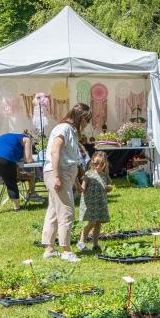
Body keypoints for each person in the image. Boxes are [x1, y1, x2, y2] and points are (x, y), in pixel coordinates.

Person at [41, 103, 92, 262]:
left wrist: (76, 182)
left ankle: (49, 248)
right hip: (58, 173)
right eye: (86, 121)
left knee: (54, 211)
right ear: (82, 117)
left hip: (63, 174)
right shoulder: (64, 128)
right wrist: (56, 176)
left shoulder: (69, 130)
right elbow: (55, 151)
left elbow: (69, 158)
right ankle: (66, 250)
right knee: (66, 211)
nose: (86, 124)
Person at [0, 133, 35, 213]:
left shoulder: (10, 135)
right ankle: (16, 208)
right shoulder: (27, 139)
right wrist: (31, 158)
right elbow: (28, 160)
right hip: (3, 156)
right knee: (10, 181)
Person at [77, 152, 112, 254]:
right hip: (90, 203)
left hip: (100, 203)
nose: (98, 166)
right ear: (92, 162)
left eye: (101, 164)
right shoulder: (88, 174)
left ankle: (95, 244)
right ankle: (81, 241)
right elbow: (82, 188)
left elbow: (108, 186)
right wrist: (78, 185)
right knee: (92, 222)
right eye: (96, 163)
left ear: (105, 165)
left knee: (98, 223)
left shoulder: (105, 176)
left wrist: (109, 188)